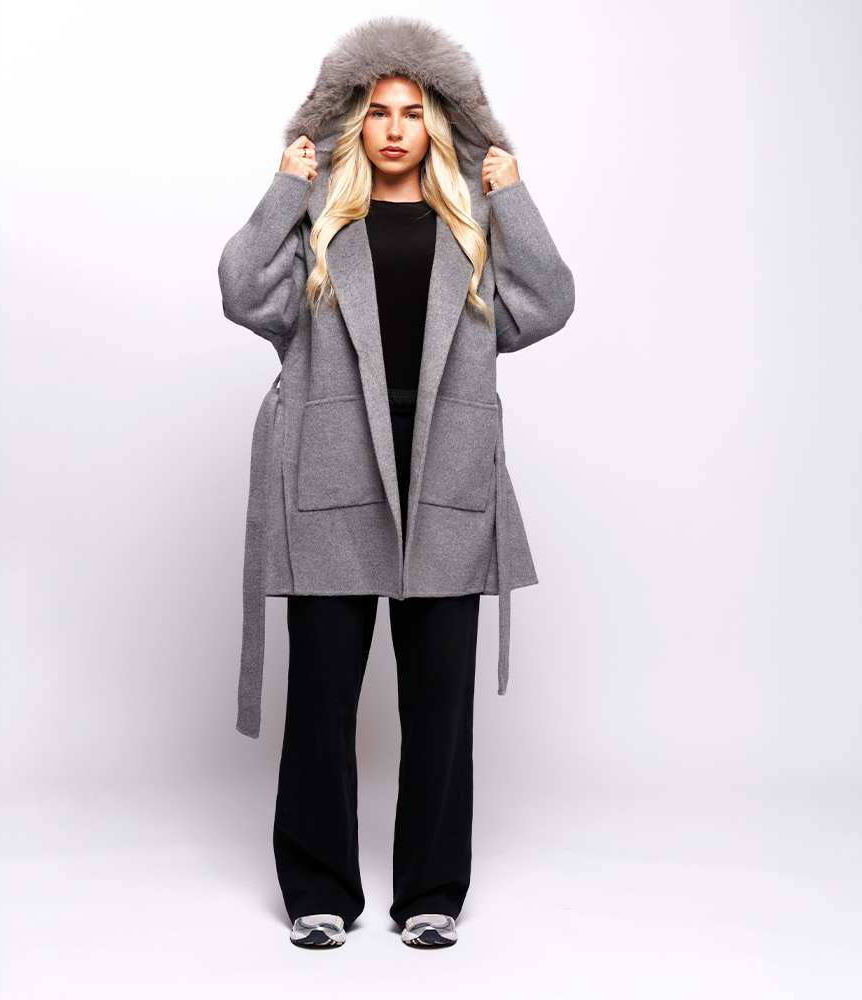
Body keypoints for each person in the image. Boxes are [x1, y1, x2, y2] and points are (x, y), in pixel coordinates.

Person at [218, 17, 574, 948]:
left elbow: (548, 303)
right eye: (378, 111)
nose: (394, 128)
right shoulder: (321, 225)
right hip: (335, 480)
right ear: (355, 121)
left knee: (440, 708)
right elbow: (242, 291)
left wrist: (513, 193)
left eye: (412, 112)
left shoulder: (473, 227)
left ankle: (431, 896)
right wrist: (287, 183)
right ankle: (318, 891)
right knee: (322, 703)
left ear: (438, 124)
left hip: (445, 480)